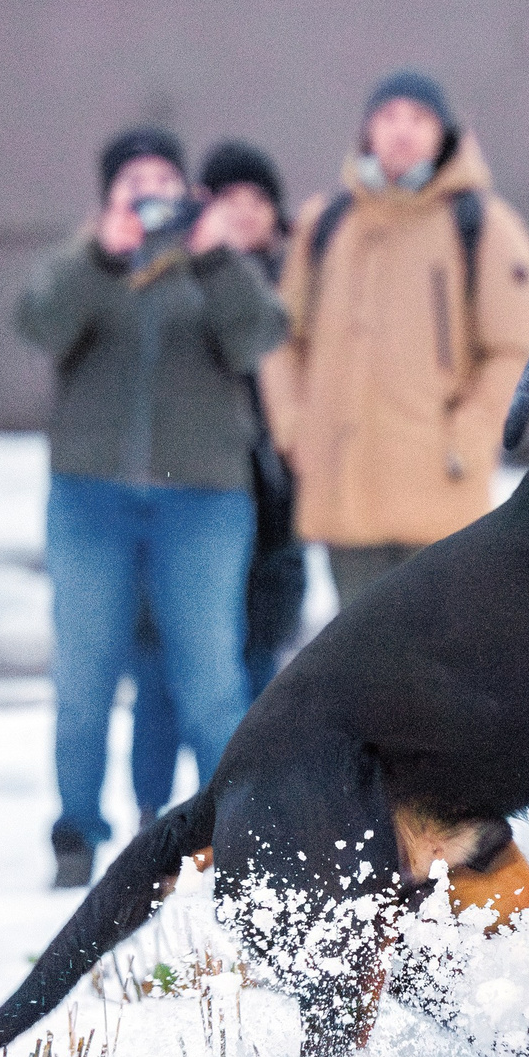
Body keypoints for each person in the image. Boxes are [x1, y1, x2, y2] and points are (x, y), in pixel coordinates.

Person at [15, 128, 288, 887]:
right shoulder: (83, 262)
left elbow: (258, 337)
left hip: (202, 501)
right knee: (84, 678)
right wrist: (102, 254)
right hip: (90, 498)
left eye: (163, 181)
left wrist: (212, 257)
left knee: (210, 678)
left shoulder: (214, 264)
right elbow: (38, 325)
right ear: (107, 196)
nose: (149, 196)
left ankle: (235, 837)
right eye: (131, 183)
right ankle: (75, 835)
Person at [278, 72, 529, 609]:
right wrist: (296, 428)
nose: (402, 132)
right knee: (355, 665)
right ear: (367, 131)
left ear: (443, 133)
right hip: (344, 495)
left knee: (433, 667)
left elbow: (520, 352)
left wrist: (466, 438)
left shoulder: (484, 226)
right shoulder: (326, 223)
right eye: (388, 117)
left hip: (439, 498)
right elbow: (282, 340)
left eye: (418, 119)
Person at [125, 139, 308, 827]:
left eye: (257, 201)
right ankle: (151, 810)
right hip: (188, 491)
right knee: (163, 665)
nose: (243, 214)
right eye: (227, 200)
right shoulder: (176, 274)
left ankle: (245, 806)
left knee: (255, 660)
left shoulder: (296, 281)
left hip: (269, 503)